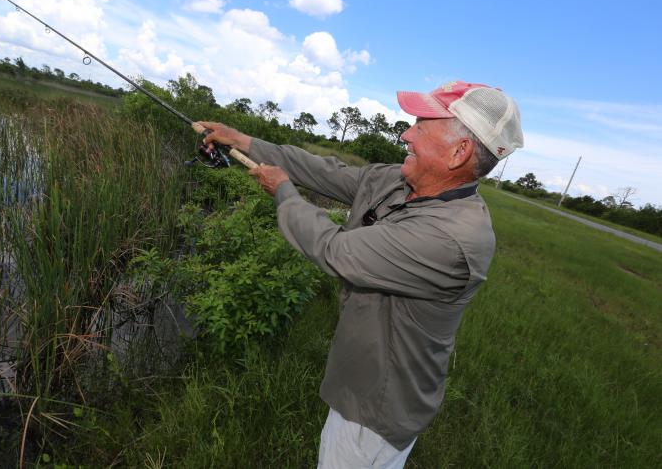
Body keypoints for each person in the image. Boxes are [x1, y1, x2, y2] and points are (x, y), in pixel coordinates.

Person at [200, 80, 524, 468]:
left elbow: (334, 250)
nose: (406, 133)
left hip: (375, 413)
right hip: (360, 384)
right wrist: (242, 140)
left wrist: (284, 193)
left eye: (422, 126)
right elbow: (323, 171)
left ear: (458, 152)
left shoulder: (452, 238)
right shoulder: (400, 181)